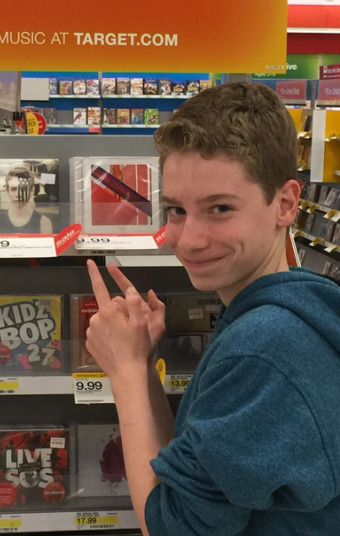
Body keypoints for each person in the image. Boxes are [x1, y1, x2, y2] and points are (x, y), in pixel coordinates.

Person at [85, 82, 340, 536]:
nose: (188, 239)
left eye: (219, 208)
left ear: (285, 204)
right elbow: (185, 476)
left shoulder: (264, 348)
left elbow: (171, 527)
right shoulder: (281, 312)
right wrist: (140, 364)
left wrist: (123, 373)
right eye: (177, 210)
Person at [0, 166, 53, 234]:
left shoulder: (44, 222)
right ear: (8, 191)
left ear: (32, 190)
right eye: (13, 189)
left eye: (23, 189)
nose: (18, 194)